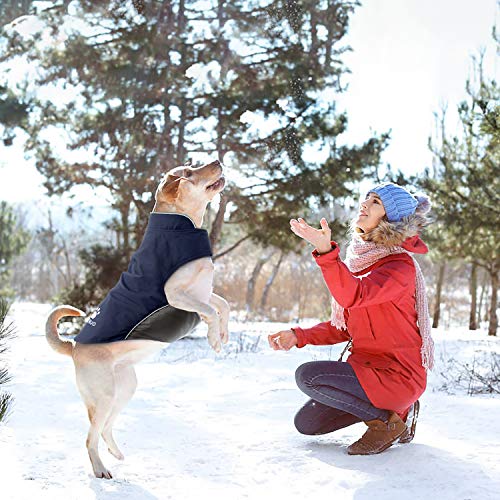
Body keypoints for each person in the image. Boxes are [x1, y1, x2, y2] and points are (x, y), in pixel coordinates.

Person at [268, 182, 434, 455]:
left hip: (397, 376)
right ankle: (396, 413)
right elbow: (343, 327)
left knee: (309, 376)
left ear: (390, 219)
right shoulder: (360, 262)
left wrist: (325, 252)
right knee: (307, 424)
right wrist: (299, 336)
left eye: (376, 202)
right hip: (366, 370)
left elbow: (353, 295)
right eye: (367, 198)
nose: (365, 204)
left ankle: (387, 422)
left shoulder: (399, 268)